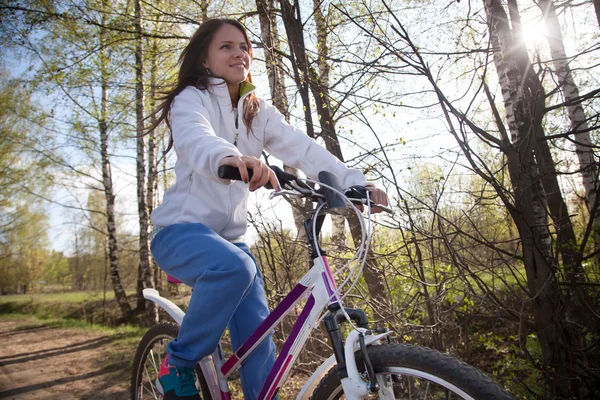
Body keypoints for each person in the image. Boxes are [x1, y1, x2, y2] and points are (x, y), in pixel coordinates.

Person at [149, 18, 388, 400]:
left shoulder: (256, 110)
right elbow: (197, 138)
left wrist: (354, 184)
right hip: (179, 233)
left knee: (258, 340)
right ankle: (178, 363)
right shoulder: (191, 98)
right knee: (236, 267)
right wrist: (232, 157)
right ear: (205, 59)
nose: (239, 52)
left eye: (244, 46)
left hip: (230, 242)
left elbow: (304, 148)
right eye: (226, 46)